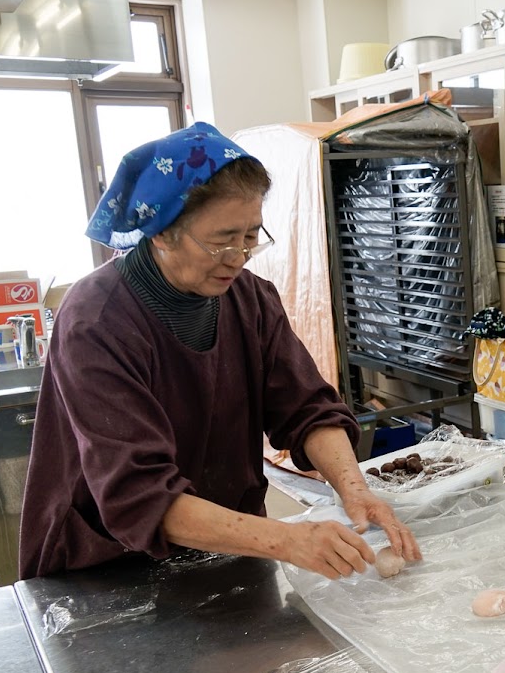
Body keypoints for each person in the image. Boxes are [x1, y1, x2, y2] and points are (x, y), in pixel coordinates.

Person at [20, 122, 419, 580]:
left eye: (251, 235)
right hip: (106, 562)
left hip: (226, 544)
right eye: (222, 240)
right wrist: (288, 540)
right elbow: (138, 493)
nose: (239, 256)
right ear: (162, 233)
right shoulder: (97, 321)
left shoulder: (250, 300)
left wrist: (354, 489)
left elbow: (308, 409)